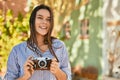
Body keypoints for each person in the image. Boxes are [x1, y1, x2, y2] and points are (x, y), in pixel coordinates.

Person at [3, 4, 71, 80]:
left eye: (48, 19)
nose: (44, 22)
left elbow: (67, 78)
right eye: (40, 18)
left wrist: (57, 71)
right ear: (33, 21)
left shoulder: (59, 47)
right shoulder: (17, 51)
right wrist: (25, 76)